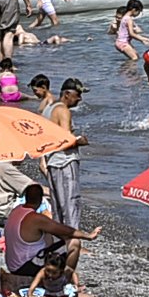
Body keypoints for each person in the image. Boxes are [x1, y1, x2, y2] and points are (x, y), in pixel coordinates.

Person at [3, 184, 98, 297]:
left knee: (51, 236)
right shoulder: (35, 218)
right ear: (41, 199)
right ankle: (63, 282)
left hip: (13, 264)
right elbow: (66, 230)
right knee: (74, 243)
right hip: (25, 266)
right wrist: (88, 236)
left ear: (25, 197)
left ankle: (64, 279)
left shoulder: (16, 210)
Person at [44, 79, 89, 229]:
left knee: (57, 205)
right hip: (65, 162)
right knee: (71, 203)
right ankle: (73, 241)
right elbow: (66, 140)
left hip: (52, 161)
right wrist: (80, 140)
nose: (80, 99)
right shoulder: (63, 110)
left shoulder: (48, 108)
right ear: (67, 94)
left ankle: (60, 242)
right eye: (78, 95)